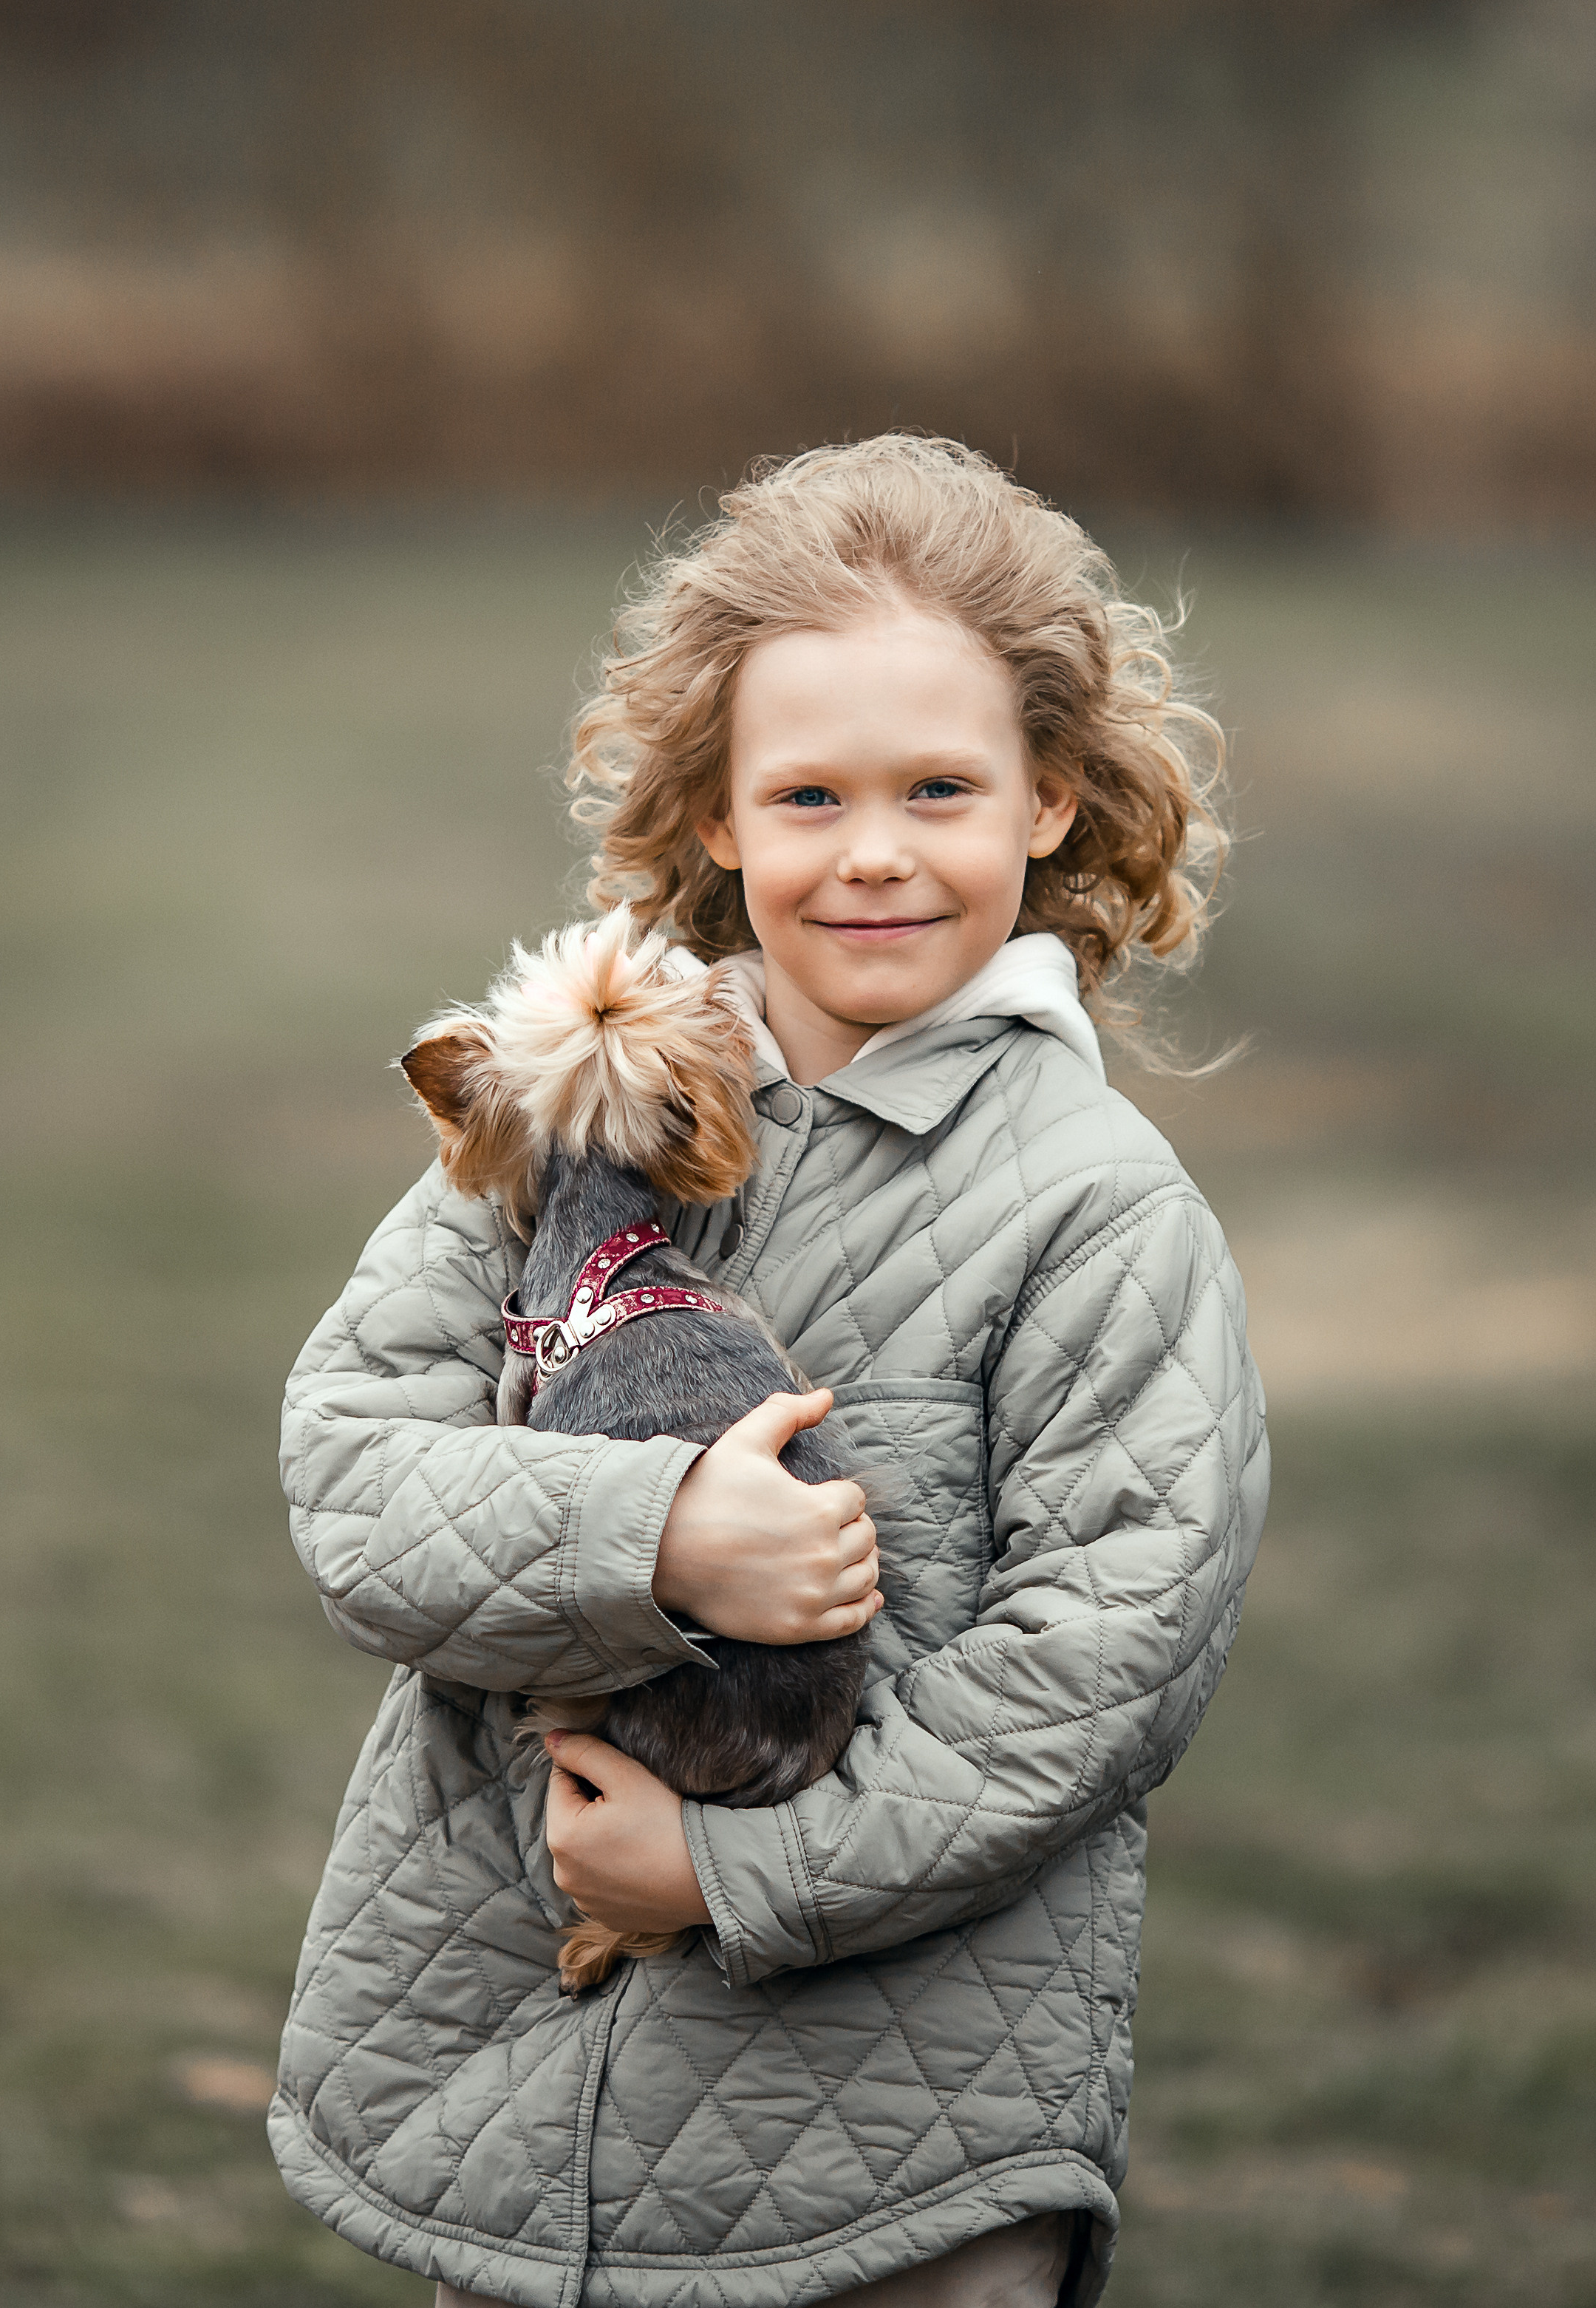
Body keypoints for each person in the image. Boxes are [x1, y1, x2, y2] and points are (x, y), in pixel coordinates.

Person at [268, 435, 1269, 2308]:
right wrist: (657, 1535)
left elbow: (1098, 1661)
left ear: (1048, 797)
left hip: (899, 2139)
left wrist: (733, 1873)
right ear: (716, 819)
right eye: (806, 792)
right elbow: (348, 1477)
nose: (873, 848)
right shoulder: (562, 1109)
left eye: (940, 787)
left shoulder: (1096, 1207)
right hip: (525, 2082)